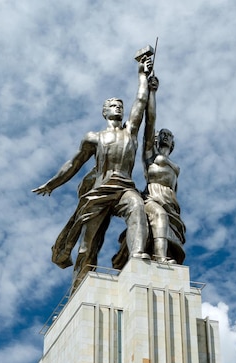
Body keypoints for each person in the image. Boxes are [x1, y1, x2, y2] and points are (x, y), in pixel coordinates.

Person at [33, 52, 153, 279]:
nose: (118, 107)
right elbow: (74, 164)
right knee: (88, 246)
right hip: (99, 192)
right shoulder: (93, 137)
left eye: (120, 105)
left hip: (125, 188)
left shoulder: (130, 132)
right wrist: (52, 184)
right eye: (113, 105)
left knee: (137, 206)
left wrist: (142, 75)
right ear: (105, 111)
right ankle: (80, 286)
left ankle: (137, 256)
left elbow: (141, 102)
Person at [113, 74, 186, 267]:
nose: (165, 136)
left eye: (169, 135)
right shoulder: (150, 156)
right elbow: (151, 120)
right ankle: (161, 259)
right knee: (159, 216)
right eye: (162, 134)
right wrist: (152, 92)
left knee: (165, 224)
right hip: (152, 197)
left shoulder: (175, 166)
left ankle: (160, 256)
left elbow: (175, 187)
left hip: (170, 200)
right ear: (155, 139)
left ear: (173, 143)